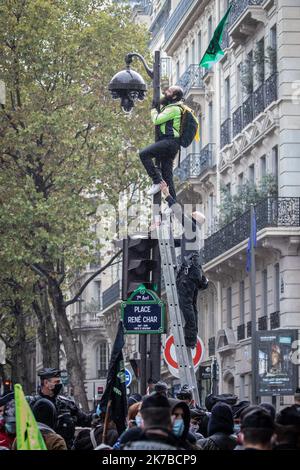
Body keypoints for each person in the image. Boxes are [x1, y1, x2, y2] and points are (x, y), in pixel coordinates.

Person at [161, 182, 208, 348]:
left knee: (185, 303)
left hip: (189, 272)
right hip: (195, 271)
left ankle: (189, 337)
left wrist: (167, 196)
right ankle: (191, 338)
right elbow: (175, 242)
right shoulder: (191, 234)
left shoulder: (191, 228)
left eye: (191, 215)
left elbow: (179, 214)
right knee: (191, 304)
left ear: (193, 220)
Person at [28, 368, 92, 449]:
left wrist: (98, 415)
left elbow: (85, 419)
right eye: (56, 382)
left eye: (60, 381)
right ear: (46, 383)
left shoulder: (66, 404)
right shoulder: (32, 405)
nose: (60, 384)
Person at [139, 86, 183, 198]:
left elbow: (157, 120)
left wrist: (153, 109)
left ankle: (157, 181)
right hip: (171, 144)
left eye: (169, 91)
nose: (165, 92)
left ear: (174, 96)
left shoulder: (174, 109)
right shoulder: (170, 107)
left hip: (169, 141)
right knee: (167, 176)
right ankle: (173, 205)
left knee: (144, 154)